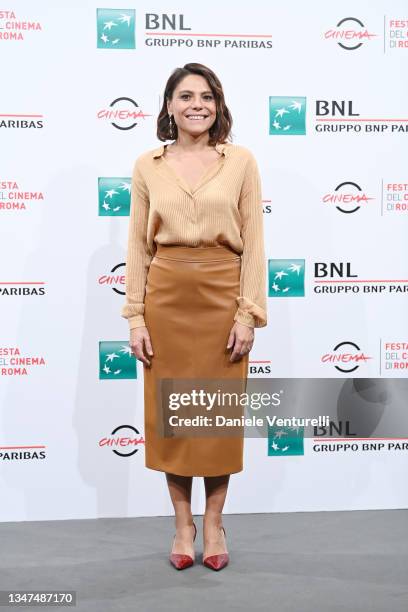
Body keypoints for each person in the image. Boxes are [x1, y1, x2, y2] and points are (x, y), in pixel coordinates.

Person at [121, 62, 267, 571]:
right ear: (168, 106)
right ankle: (183, 526)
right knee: (176, 421)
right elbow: (138, 247)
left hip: (223, 297)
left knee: (217, 417)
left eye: (206, 95)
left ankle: (214, 522)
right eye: (185, 96)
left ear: (218, 104)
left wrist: (248, 313)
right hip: (165, 302)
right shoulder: (148, 166)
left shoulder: (241, 162)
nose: (196, 104)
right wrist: (135, 317)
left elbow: (255, 246)